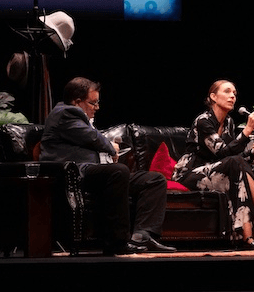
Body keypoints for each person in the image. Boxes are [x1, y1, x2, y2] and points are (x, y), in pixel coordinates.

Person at [40, 77, 176, 254]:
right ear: (77, 102)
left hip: (93, 173)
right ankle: (116, 242)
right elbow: (93, 137)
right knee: (118, 171)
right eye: (93, 103)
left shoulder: (77, 116)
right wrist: (111, 147)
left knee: (154, 179)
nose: (97, 107)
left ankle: (142, 236)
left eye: (98, 102)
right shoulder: (65, 113)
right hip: (74, 174)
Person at [172, 79, 254, 249]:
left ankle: (247, 239)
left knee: (238, 171)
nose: (232, 96)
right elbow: (222, 152)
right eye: (227, 91)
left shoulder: (229, 123)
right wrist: (246, 132)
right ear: (213, 97)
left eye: (234, 93)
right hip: (190, 174)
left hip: (217, 171)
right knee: (235, 164)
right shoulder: (203, 121)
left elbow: (234, 157)